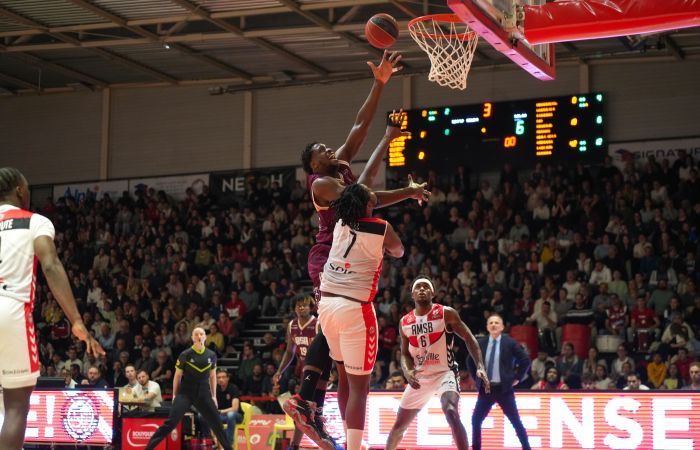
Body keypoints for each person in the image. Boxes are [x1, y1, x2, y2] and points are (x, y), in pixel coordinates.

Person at [285, 50, 428, 450]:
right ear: (312, 165)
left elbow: (360, 124)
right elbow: (367, 199)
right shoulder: (322, 185)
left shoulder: (341, 165)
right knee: (331, 324)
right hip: (328, 257)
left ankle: (349, 436)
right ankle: (305, 397)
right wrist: (408, 192)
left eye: (330, 148)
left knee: (349, 371)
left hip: (348, 253)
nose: (331, 151)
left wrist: (380, 82)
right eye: (322, 151)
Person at [0, 167, 104, 450]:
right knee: (15, 405)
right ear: (20, 191)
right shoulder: (34, 222)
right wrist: (76, 319)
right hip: (9, 309)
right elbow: (50, 264)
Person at [316, 183, 404, 450]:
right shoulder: (381, 226)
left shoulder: (341, 221)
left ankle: (350, 441)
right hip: (355, 308)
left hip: (327, 306)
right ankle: (354, 448)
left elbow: (362, 198)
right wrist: (384, 249)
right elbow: (399, 251)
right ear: (368, 205)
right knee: (359, 387)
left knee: (343, 376)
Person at [385, 276, 488, 450]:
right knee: (399, 426)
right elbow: (404, 354)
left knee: (451, 412)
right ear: (412, 294)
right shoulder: (405, 322)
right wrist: (407, 371)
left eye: (426, 287)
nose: (422, 290)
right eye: (418, 287)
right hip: (420, 377)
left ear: (432, 292)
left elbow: (468, 337)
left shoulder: (445, 313)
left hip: (444, 373)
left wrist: (480, 366)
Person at [143, 327, 232, 450]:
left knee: (217, 424)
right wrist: (174, 395)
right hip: (185, 393)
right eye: (196, 334)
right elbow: (177, 376)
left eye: (201, 334)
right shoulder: (185, 354)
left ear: (205, 337)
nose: (199, 336)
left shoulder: (211, 355)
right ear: (192, 338)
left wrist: (213, 396)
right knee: (170, 423)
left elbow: (212, 377)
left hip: (204, 394)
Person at [468, 314, 532, 450]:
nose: (493, 325)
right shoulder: (480, 343)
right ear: (487, 327)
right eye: (491, 323)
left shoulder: (509, 342)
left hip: (504, 390)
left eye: (497, 323)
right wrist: (477, 378)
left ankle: (527, 448)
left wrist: (517, 378)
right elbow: (469, 360)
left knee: (515, 421)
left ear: (502, 327)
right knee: (475, 421)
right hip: (486, 389)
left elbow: (525, 359)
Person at [274, 295, 319, 450]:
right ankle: (295, 445)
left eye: (304, 305)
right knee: (302, 411)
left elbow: (329, 349)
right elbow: (289, 352)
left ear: (311, 307)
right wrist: (279, 371)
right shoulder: (292, 325)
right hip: (304, 372)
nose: (301, 308)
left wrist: (332, 369)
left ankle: (296, 445)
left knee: (308, 410)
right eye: (298, 306)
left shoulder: (317, 324)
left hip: (320, 370)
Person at [200, 369, 242, 445]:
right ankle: (209, 440)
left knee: (231, 415)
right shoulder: (214, 389)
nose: (221, 379)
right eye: (218, 377)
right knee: (202, 415)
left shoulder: (233, 388)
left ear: (228, 378)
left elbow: (235, 408)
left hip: (236, 416)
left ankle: (228, 444)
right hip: (221, 416)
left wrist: (220, 411)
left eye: (223, 377)